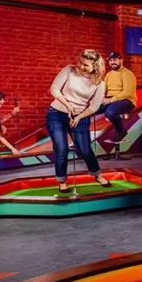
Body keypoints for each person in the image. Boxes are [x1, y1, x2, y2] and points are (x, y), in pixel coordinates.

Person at [47, 50, 111, 193]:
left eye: (86, 65)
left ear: (95, 66)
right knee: (61, 149)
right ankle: (62, 181)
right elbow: (54, 89)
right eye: (80, 62)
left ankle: (97, 175)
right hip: (56, 114)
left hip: (81, 116)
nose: (81, 66)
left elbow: (94, 106)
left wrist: (79, 116)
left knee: (85, 149)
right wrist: (68, 105)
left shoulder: (99, 83)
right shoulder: (69, 70)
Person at [97, 52, 137, 142]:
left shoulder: (127, 74)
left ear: (120, 60)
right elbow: (104, 90)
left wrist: (111, 100)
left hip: (127, 100)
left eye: (114, 60)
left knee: (110, 112)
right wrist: (99, 99)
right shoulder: (109, 75)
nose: (112, 62)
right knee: (91, 109)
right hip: (111, 99)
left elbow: (127, 92)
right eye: (110, 60)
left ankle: (121, 130)